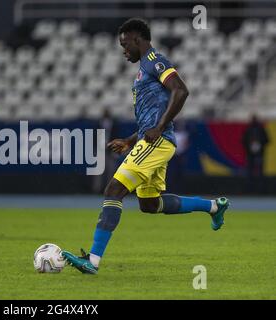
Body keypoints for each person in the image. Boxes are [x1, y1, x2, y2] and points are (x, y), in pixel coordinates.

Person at [61, 19, 230, 274]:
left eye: (124, 43)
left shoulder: (155, 61)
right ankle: (215, 206)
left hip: (159, 141)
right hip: (154, 140)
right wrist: (131, 140)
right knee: (149, 204)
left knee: (114, 189)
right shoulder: (144, 69)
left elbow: (181, 91)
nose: (123, 49)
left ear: (137, 38)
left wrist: (159, 127)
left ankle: (92, 261)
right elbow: (150, 118)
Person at [241, 114, 269, 193]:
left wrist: (260, 145)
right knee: (250, 173)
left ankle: (261, 190)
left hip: (259, 154)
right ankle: (250, 190)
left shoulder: (261, 130)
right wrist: (250, 147)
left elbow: (267, 140)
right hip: (250, 155)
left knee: (260, 173)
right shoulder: (248, 130)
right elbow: (243, 141)